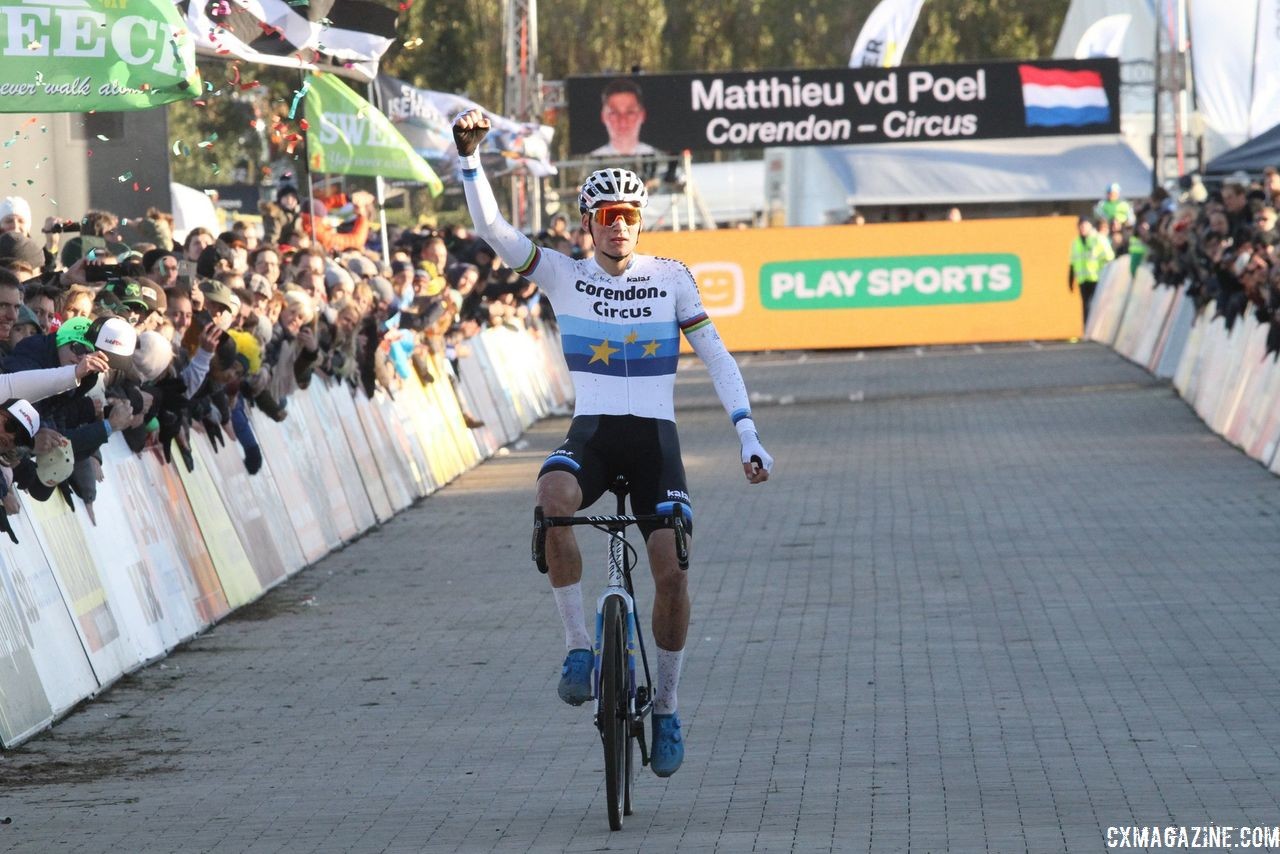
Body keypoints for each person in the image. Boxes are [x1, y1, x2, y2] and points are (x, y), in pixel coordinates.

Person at [454, 108, 773, 778]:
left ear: (640, 220)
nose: (619, 225)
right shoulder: (563, 275)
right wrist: (468, 160)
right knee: (551, 497)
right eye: (607, 216)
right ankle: (577, 645)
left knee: (672, 576)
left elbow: (716, 355)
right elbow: (491, 229)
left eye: (629, 214)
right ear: (587, 222)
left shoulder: (671, 276)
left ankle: (666, 704)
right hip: (593, 437)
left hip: (657, 444)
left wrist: (748, 432)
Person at [590, 78, 659, 157]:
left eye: (630, 112)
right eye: (614, 113)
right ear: (603, 117)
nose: (623, 121)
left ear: (642, 115)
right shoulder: (590, 160)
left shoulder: (660, 159)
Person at [1069, 216, 1115, 326]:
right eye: (1081, 226)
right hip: (1083, 279)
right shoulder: (1076, 242)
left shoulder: (1098, 239)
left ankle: (1098, 327)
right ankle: (1087, 328)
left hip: (1097, 278)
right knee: (1085, 305)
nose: (1082, 228)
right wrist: (1070, 279)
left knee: (1097, 305)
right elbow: (1073, 262)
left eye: (1085, 226)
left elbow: (1109, 257)